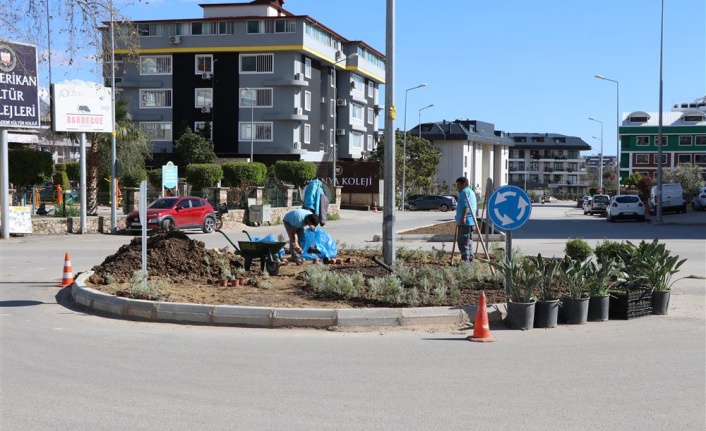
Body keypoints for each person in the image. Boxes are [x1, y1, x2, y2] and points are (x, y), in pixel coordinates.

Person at [455, 176, 478, 262]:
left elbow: (466, 205)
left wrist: (463, 217)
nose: (457, 187)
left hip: (465, 222)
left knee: (463, 242)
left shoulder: (464, 192)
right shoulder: (471, 191)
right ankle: (470, 258)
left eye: (458, 184)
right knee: (468, 241)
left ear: (463, 184)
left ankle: (465, 260)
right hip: (471, 222)